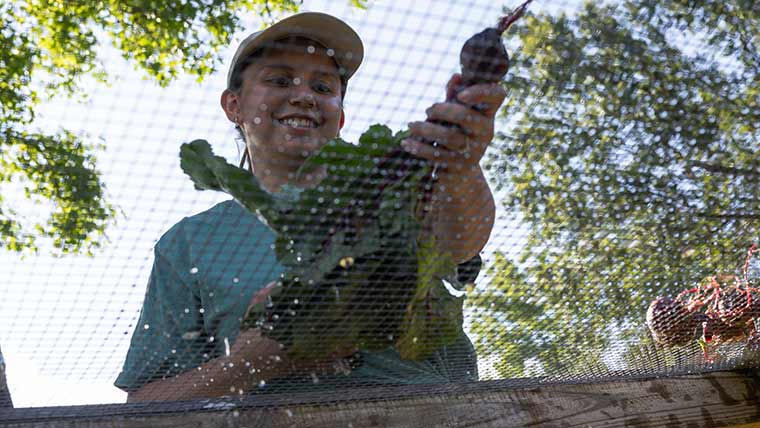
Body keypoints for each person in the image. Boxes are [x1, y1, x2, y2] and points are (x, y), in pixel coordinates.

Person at [116, 12, 505, 402]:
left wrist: (462, 164)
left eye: (322, 86)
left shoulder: (393, 187)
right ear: (234, 105)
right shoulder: (188, 244)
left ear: (340, 117)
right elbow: (142, 406)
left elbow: (460, 240)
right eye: (279, 80)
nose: (303, 95)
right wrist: (256, 361)